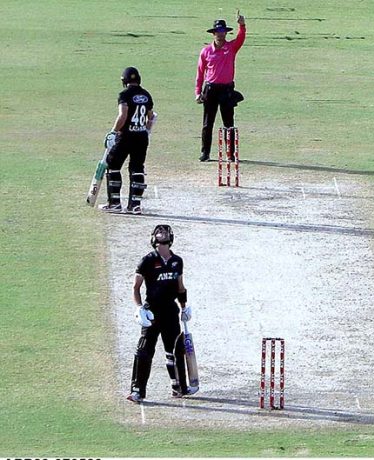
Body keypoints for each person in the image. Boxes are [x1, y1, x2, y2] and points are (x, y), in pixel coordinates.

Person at [127, 224, 194, 403]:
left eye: (164, 231)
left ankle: (179, 387)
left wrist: (184, 307)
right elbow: (136, 288)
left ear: (170, 237)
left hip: (171, 311)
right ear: (153, 238)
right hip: (152, 312)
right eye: (158, 232)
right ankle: (137, 390)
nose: (161, 233)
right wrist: (139, 308)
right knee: (144, 350)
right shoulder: (147, 261)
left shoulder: (177, 261)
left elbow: (180, 287)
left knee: (175, 350)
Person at [101, 67, 156, 214]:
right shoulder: (146, 95)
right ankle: (135, 205)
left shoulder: (124, 95)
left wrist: (113, 132)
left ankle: (114, 203)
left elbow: (123, 116)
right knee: (137, 168)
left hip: (125, 136)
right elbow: (151, 117)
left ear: (124, 80)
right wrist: (146, 131)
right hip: (141, 137)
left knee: (113, 165)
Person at [195, 14, 246, 162]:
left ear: (225, 32)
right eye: (218, 31)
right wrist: (198, 92)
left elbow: (241, 39)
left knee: (228, 123)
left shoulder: (231, 47)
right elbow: (200, 73)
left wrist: (242, 25)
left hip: (226, 90)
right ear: (213, 33)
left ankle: (230, 154)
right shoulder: (205, 51)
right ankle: (205, 153)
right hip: (210, 89)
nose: (221, 33)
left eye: (223, 31)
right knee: (207, 123)